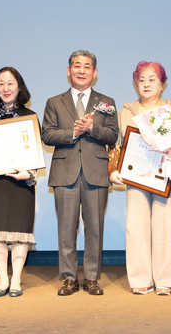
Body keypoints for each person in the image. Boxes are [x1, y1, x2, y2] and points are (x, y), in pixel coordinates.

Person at [109, 61, 171, 296]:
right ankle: (141, 278)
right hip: (136, 177)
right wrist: (113, 168)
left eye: (152, 79)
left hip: (164, 175)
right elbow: (117, 144)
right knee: (136, 227)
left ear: (162, 84)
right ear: (136, 83)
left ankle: (164, 279)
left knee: (165, 227)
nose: (146, 84)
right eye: (141, 80)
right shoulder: (127, 111)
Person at [42, 50, 119, 296]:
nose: (81, 71)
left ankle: (92, 278)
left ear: (94, 73)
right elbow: (47, 134)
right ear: (69, 71)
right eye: (77, 66)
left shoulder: (106, 102)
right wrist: (73, 133)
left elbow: (113, 136)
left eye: (87, 66)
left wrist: (93, 128)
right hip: (65, 172)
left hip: (96, 171)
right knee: (66, 228)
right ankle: (69, 278)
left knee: (95, 227)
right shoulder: (54, 102)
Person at [0, 67, 38, 298]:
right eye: (0, 84)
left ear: (19, 86)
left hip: (20, 182)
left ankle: (17, 280)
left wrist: (28, 173)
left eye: (10, 83)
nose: (5, 88)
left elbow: (34, 152)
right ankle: (3, 279)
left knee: (19, 232)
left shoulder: (29, 116)